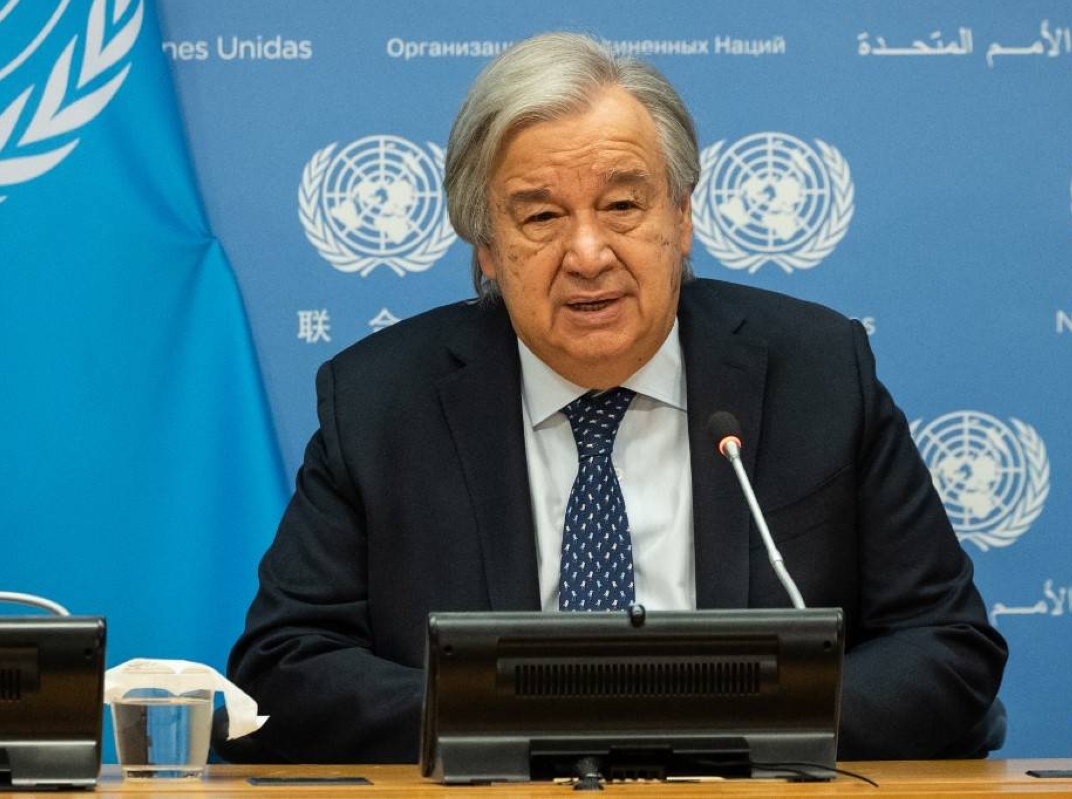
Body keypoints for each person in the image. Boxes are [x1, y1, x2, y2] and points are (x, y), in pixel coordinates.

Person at [222, 31, 1006, 764]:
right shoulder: (382, 401)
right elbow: (283, 669)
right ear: (487, 251)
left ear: (683, 216)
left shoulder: (817, 372)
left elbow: (948, 645)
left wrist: (729, 724)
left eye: (624, 206)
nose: (589, 253)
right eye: (541, 216)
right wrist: (530, 719)